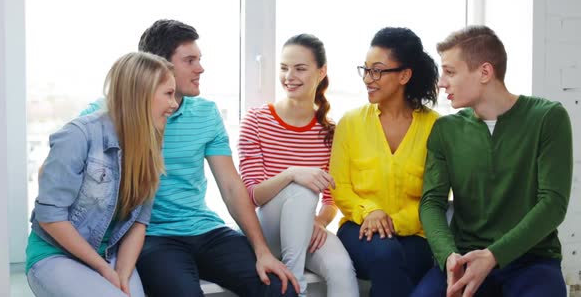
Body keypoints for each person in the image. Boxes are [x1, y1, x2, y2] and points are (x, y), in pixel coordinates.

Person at [81, 19, 298, 297]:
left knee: (281, 288)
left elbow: (231, 187)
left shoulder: (206, 113)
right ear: (160, 67)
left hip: (206, 229)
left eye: (199, 59)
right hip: (151, 237)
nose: (200, 68)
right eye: (190, 60)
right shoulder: (110, 111)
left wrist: (262, 251)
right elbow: (68, 167)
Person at [413, 25, 573, 297]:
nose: (441, 82)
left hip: (532, 260)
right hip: (463, 259)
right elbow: (431, 202)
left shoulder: (549, 118)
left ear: (485, 72)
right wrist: (448, 255)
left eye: (450, 72)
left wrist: (494, 255)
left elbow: (553, 204)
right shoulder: (445, 130)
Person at [25, 52, 178, 297]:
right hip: (56, 254)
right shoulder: (78, 135)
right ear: (141, 94)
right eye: (168, 94)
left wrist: (124, 274)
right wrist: (102, 269)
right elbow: (50, 217)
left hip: (110, 254)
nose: (175, 103)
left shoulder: (150, 146)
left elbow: (139, 222)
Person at [238, 33, 359, 297]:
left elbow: (331, 198)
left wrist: (318, 220)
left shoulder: (330, 132)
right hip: (263, 233)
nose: (289, 76)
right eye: (284, 68)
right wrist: (292, 174)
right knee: (302, 188)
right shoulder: (256, 121)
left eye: (300, 68)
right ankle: (297, 290)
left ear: (321, 71)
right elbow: (252, 195)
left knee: (341, 267)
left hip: (303, 228)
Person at [330, 27, 439, 297]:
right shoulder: (351, 123)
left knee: (396, 260)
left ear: (404, 75)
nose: (368, 78)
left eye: (377, 70)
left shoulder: (436, 127)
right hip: (359, 231)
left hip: (416, 236)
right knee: (386, 253)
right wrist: (370, 212)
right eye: (365, 70)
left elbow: (435, 195)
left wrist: (391, 221)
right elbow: (339, 188)